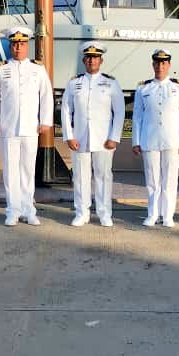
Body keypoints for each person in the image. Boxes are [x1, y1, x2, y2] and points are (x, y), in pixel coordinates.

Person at [0, 26, 53, 226]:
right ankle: (12, 211)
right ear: (10, 46)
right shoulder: (1, 69)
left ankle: (29, 210)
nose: (18, 48)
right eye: (14, 44)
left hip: (31, 128)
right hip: (8, 128)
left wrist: (45, 121)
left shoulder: (38, 69)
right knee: (10, 171)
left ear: (27, 45)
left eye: (22, 44)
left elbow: (46, 96)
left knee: (28, 170)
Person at [61, 41, 124, 227]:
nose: (91, 60)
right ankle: (82, 212)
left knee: (103, 176)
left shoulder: (111, 83)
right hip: (80, 138)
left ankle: (104, 213)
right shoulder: (74, 83)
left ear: (101, 60)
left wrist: (114, 137)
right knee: (80, 176)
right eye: (88, 57)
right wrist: (69, 136)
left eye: (95, 57)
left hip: (104, 139)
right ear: (84, 60)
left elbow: (119, 111)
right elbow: (66, 110)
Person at [131, 48, 179, 227]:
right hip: (150, 139)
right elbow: (137, 116)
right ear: (153, 64)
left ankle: (168, 215)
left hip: (172, 140)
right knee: (152, 180)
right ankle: (152, 214)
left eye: (163, 63)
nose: (160, 66)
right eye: (157, 63)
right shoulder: (143, 88)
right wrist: (136, 141)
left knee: (170, 180)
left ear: (169, 65)